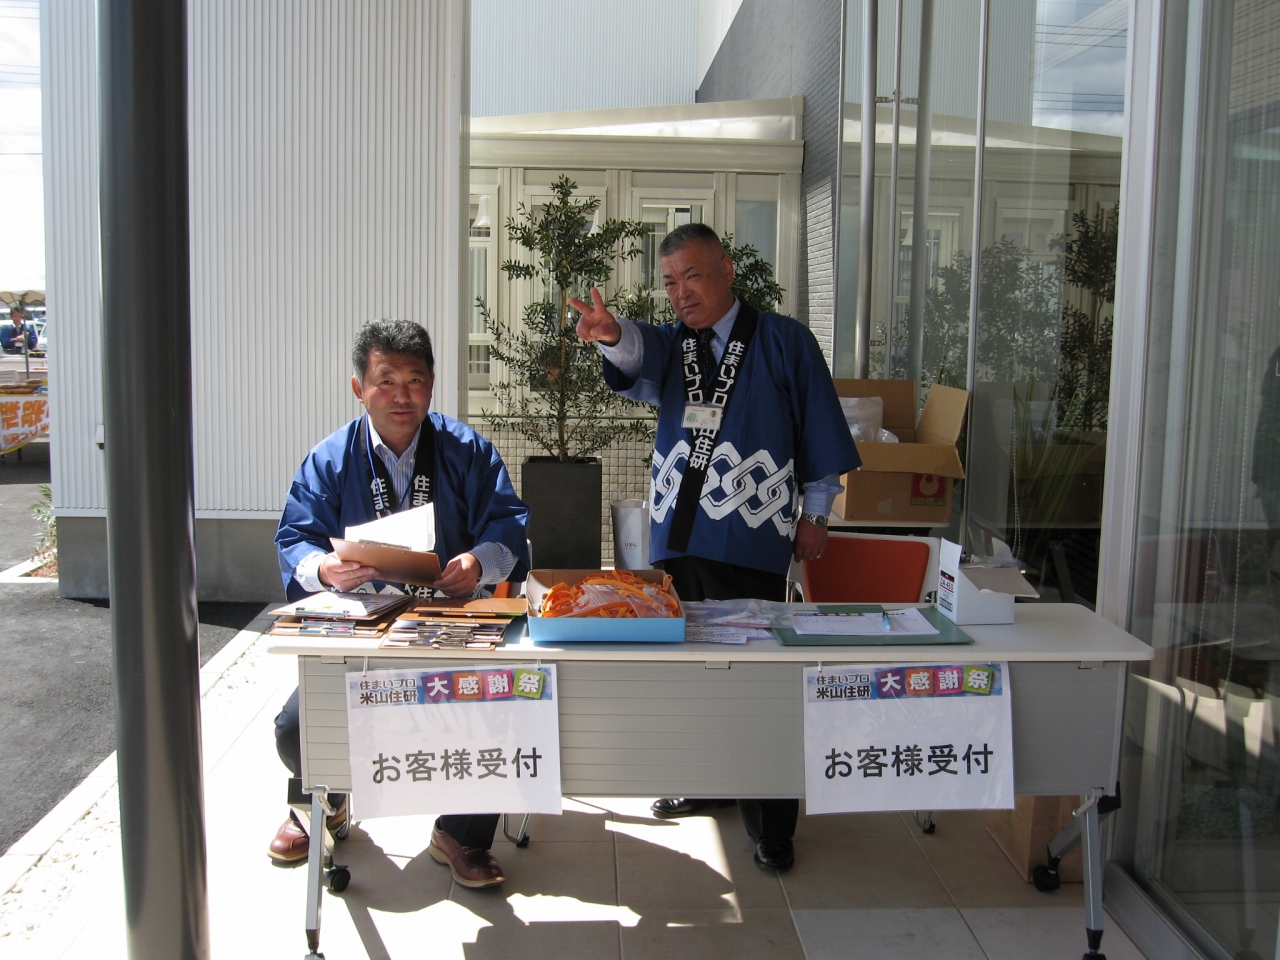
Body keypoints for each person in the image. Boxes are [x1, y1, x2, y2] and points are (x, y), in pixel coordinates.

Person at [571, 223, 860, 872]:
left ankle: (772, 823)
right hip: (680, 534)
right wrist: (612, 335)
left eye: (693, 276)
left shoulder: (785, 340)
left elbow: (818, 429)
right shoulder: (674, 344)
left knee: (759, 681)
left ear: (727, 270)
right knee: (689, 670)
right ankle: (704, 777)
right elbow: (636, 354)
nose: (681, 293)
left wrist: (816, 514)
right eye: (670, 282)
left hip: (753, 534)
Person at [270, 319, 530, 889]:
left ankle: (461, 833)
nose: (401, 395)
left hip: (449, 625)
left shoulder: (468, 451)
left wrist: (478, 563)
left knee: (505, 706)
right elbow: (294, 538)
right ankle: (327, 802)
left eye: (415, 380)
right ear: (358, 387)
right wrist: (324, 568)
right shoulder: (330, 459)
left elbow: (509, 526)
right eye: (385, 380)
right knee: (295, 727)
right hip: (362, 626)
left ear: (432, 384)